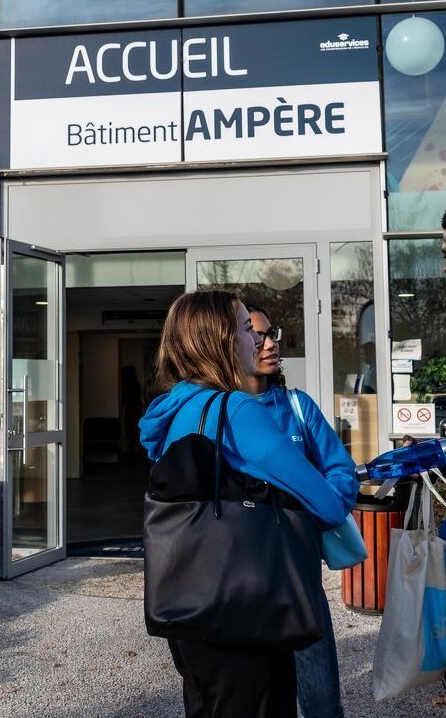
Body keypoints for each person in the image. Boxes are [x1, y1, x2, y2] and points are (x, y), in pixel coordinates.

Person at [139, 290, 347, 718]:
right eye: (243, 328)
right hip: (247, 609)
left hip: (191, 604)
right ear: (219, 340)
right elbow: (326, 504)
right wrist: (336, 491)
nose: (255, 339)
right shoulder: (237, 410)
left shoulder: (176, 408)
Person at [246, 303, 359, 718]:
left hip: (299, 576)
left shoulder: (297, 406)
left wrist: (315, 506)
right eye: (258, 336)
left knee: (321, 699)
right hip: (241, 580)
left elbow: (341, 471)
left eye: (271, 333)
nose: (272, 343)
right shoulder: (219, 412)